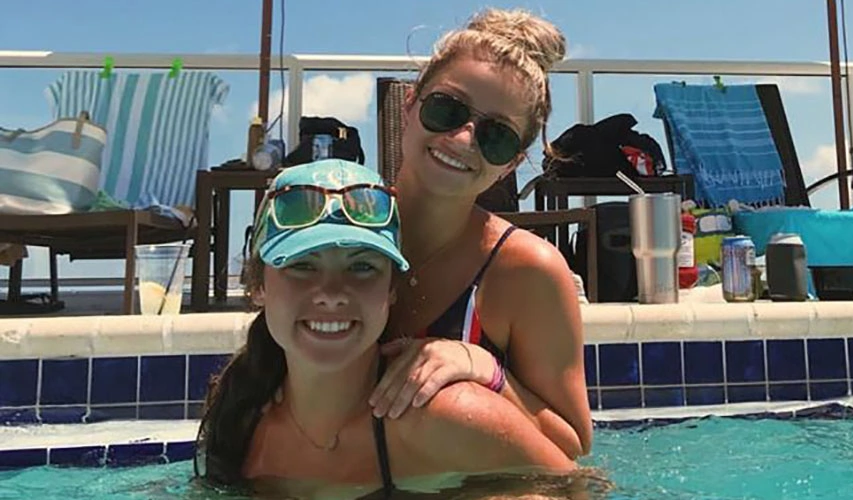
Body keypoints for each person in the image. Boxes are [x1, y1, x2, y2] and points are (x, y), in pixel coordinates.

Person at [194, 159, 574, 498]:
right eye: (303, 265)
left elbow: (578, 490)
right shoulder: (237, 421)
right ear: (257, 285)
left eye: (362, 268)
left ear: (391, 290)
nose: (331, 294)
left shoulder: (447, 417)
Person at [369, 8, 594, 458]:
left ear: (511, 163)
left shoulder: (527, 271)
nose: (464, 138)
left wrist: (484, 369)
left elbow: (572, 445)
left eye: (497, 136)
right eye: (446, 109)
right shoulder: (342, 228)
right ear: (409, 106)